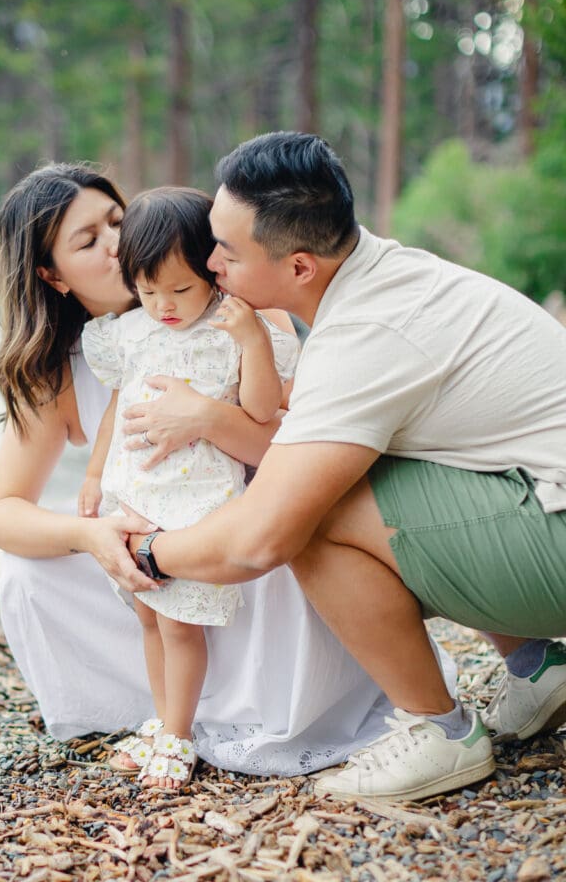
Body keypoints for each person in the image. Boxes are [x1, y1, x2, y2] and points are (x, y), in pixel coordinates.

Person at [121, 131, 566, 802]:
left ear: (299, 267)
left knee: (314, 511)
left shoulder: (364, 333)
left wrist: (150, 552)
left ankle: (440, 733)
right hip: (539, 495)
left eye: (228, 252)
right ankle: (538, 670)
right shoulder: (383, 274)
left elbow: (260, 539)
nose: (210, 263)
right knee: (347, 470)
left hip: (552, 533)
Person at [0, 161, 399, 779]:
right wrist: (95, 535)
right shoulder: (68, 364)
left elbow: (312, 450)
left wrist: (206, 419)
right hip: (147, 549)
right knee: (26, 573)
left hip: (250, 536)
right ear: (52, 275)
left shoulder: (239, 308)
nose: (118, 243)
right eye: (88, 241)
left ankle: (246, 702)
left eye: (117, 220)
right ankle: (155, 709)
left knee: (279, 540)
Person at [79, 188, 299, 789]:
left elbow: (259, 412)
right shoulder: (129, 331)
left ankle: (180, 734)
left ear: (211, 271)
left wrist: (252, 340)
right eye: (149, 292)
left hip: (195, 505)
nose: (164, 306)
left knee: (180, 626)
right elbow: (118, 404)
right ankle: (162, 718)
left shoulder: (232, 326)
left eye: (179, 290)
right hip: (136, 499)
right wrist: (96, 475)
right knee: (149, 618)